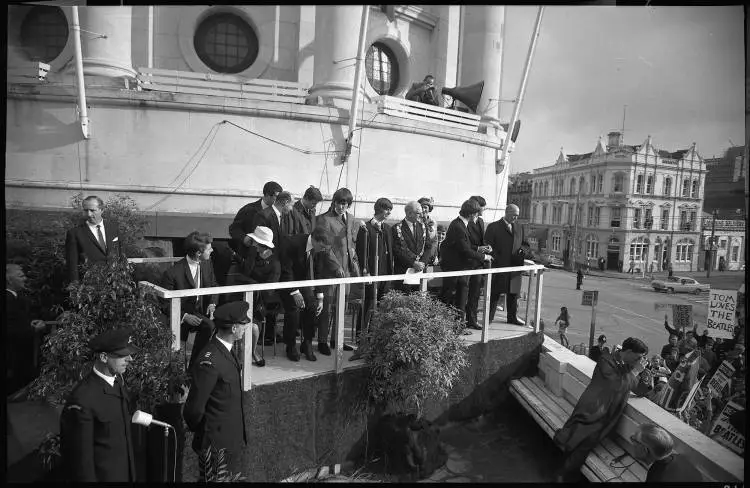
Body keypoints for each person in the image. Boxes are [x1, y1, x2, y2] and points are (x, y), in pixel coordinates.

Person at [553, 337, 649, 482]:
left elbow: (639, 389)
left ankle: (563, 469)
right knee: (580, 438)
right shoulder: (606, 360)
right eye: (638, 357)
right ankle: (563, 472)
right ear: (628, 351)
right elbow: (615, 385)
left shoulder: (629, 367)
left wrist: (645, 377)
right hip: (592, 409)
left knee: (585, 439)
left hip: (607, 414)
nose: (639, 360)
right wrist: (635, 372)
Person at [59, 328, 138, 481]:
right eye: (122, 355)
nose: (130, 359)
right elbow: (81, 462)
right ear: (103, 357)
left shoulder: (117, 383)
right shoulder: (83, 399)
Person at [183, 301, 249, 477]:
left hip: (231, 441)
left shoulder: (225, 350)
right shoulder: (210, 360)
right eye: (243, 324)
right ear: (234, 328)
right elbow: (194, 408)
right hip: (216, 447)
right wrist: (205, 435)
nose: (246, 328)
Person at [253, 191, 302, 361]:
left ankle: (290, 345)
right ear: (285, 202)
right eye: (292, 204)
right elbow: (258, 245)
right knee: (262, 305)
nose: (293, 208)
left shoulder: (286, 217)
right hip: (266, 273)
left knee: (293, 307)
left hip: (283, 271)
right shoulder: (263, 215)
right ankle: (255, 344)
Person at [161, 231, 219, 370]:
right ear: (199, 253)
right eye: (209, 248)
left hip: (202, 311)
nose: (212, 250)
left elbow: (214, 285)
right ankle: (186, 370)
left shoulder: (206, 263)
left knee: (221, 322)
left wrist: (212, 303)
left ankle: (197, 367)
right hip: (181, 315)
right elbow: (164, 304)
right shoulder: (172, 273)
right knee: (207, 327)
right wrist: (184, 316)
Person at [440, 199, 492, 333]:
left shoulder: (461, 224)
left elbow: (467, 247)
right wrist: (485, 257)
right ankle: (455, 327)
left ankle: (459, 326)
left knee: (461, 298)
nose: (478, 216)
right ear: (471, 214)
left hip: (461, 268)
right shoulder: (458, 226)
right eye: (476, 213)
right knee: (456, 299)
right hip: (455, 269)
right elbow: (465, 250)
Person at [355, 198, 394, 356]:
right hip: (371, 273)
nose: (389, 212)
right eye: (386, 209)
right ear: (378, 209)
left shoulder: (387, 228)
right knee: (368, 305)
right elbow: (361, 251)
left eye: (390, 209)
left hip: (385, 273)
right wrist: (365, 271)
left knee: (381, 305)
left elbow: (389, 251)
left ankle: (375, 335)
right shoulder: (366, 228)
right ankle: (361, 337)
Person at [485, 204, 529, 325]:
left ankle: (512, 317)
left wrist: (523, 250)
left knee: (513, 294)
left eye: (517, 216)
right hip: (499, 266)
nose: (516, 218)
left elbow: (525, 244)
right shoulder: (493, 227)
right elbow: (488, 246)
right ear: (507, 212)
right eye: (514, 215)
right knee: (495, 293)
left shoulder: (520, 227)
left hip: (515, 266)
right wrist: (497, 258)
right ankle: (488, 318)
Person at [6, 263, 46, 394]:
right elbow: (9, 329)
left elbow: (16, 322)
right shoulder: (8, 299)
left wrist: (31, 323)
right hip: (13, 362)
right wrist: (33, 330)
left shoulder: (17, 298)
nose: (25, 278)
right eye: (20, 275)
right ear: (8, 279)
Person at [65, 195, 122, 283]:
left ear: (101, 210)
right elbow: (72, 264)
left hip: (114, 283)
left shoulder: (114, 229)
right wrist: (75, 287)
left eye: (92, 210)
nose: (88, 214)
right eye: (85, 210)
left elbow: (120, 255)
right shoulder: (75, 233)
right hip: (89, 286)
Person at [309, 226, 347, 356]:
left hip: (337, 282)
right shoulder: (323, 249)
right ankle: (322, 342)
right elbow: (331, 264)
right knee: (325, 313)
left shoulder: (332, 247)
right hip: (325, 283)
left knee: (337, 312)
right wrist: (337, 269)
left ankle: (335, 340)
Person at [631, 423, 704, 482]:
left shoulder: (656, 477)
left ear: (645, 450)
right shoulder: (680, 458)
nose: (630, 438)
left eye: (633, 439)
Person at [228, 181, 282, 253]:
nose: (279, 200)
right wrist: (244, 238)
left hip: (272, 256)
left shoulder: (280, 212)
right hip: (251, 254)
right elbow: (234, 229)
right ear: (267, 195)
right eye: (277, 197)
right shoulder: (248, 209)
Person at [392, 201, 432, 291]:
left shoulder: (423, 227)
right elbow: (397, 250)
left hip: (420, 271)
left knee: (419, 300)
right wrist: (413, 263)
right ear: (409, 213)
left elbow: (428, 247)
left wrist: (423, 263)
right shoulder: (396, 228)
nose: (421, 215)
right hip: (403, 271)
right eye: (418, 213)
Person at [465, 195, 492, 331]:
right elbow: (465, 244)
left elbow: (482, 241)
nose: (484, 209)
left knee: (475, 293)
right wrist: (478, 249)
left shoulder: (480, 221)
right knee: (464, 293)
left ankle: (472, 320)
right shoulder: (465, 222)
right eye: (483, 207)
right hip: (467, 262)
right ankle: (461, 320)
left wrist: (487, 247)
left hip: (478, 263)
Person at [418, 197, 438, 262]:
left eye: (425, 207)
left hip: (429, 255)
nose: (423, 210)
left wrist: (433, 255)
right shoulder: (415, 221)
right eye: (421, 207)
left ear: (429, 209)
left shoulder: (433, 222)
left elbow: (434, 240)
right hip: (418, 255)